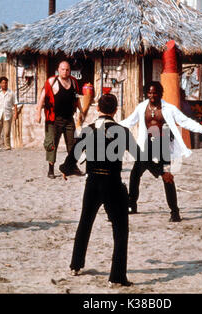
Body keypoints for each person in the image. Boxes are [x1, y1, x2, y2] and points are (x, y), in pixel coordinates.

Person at [60, 94, 171, 287]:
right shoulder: (122, 131)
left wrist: (66, 169)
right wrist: (161, 172)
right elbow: (140, 157)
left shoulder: (88, 130)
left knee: (85, 223)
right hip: (112, 183)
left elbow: (72, 156)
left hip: (92, 182)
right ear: (115, 111)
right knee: (120, 231)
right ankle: (117, 277)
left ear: (97, 109)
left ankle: (75, 265)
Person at [120, 81, 202, 222]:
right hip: (146, 146)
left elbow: (185, 121)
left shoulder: (169, 109)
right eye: (149, 92)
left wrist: (201, 129)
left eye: (154, 92)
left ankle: (174, 212)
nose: (152, 95)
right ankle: (132, 205)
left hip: (163, 146)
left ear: (160, 93)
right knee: (135, 174)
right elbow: (129, 121)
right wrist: (108, 124)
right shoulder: (142, 107)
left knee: (167, 176)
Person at [36, 61, 84, 178]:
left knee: (72, 144)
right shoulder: (52, 82)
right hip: (54, 120)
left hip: (69, 119)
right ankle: (51, 170)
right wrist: (38, 113)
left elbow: (76, 99)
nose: (65, 72)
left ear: (70, 70)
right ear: (58, 69)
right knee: (52, 144)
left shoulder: (73, 82)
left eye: (67, 69)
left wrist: (81, 111)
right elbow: (42, 98)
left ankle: (72, 167)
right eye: (62, 69)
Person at [0, 76, 18, 151]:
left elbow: (15, 103)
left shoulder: (11, 93)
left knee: (7, 132)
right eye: (2, 83)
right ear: (0, 84)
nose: (4, 84)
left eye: (5, 83)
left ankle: (7, 146)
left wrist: (15, 113)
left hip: (8, 114)